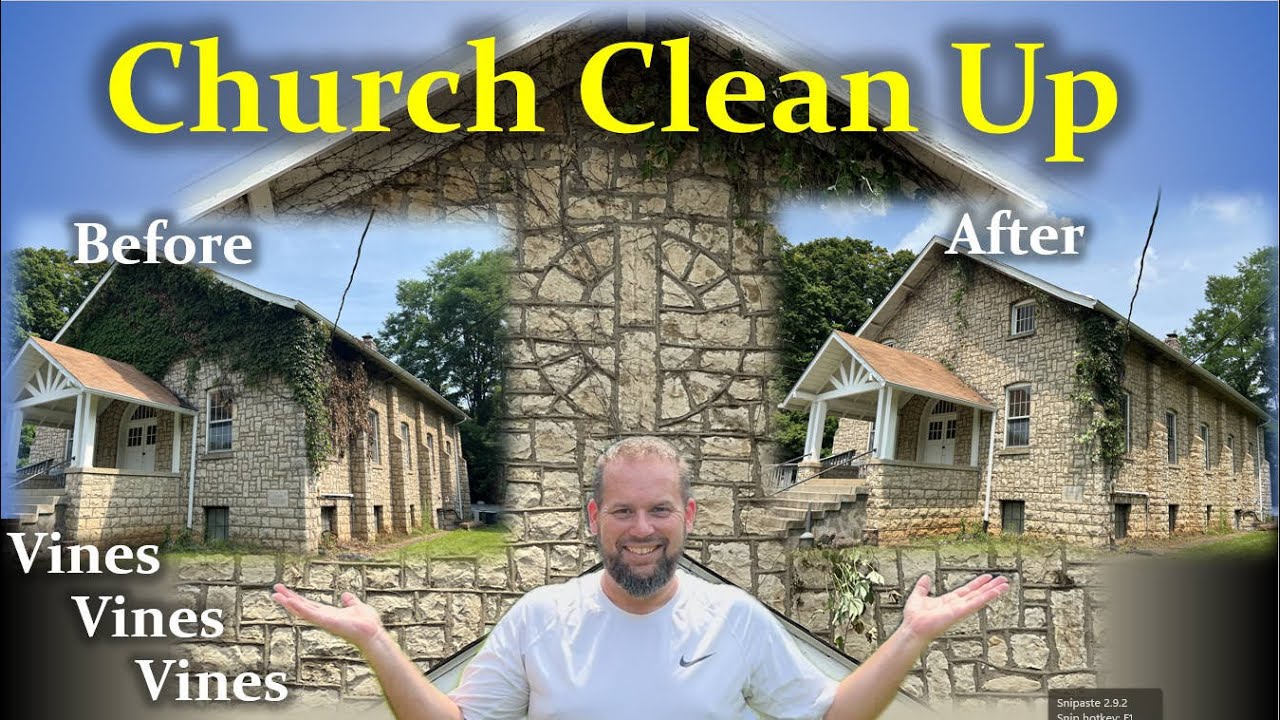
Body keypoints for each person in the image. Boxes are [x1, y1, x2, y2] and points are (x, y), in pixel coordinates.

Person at [273, 436, 1008, 720]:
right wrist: (376, 641)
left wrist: (911, 636)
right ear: (594, 516)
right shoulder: (537, 617)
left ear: (687, 515)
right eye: (622, 510)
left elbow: (831, 714)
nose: (643, 529)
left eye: (660, 509)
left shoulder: (737, 617)